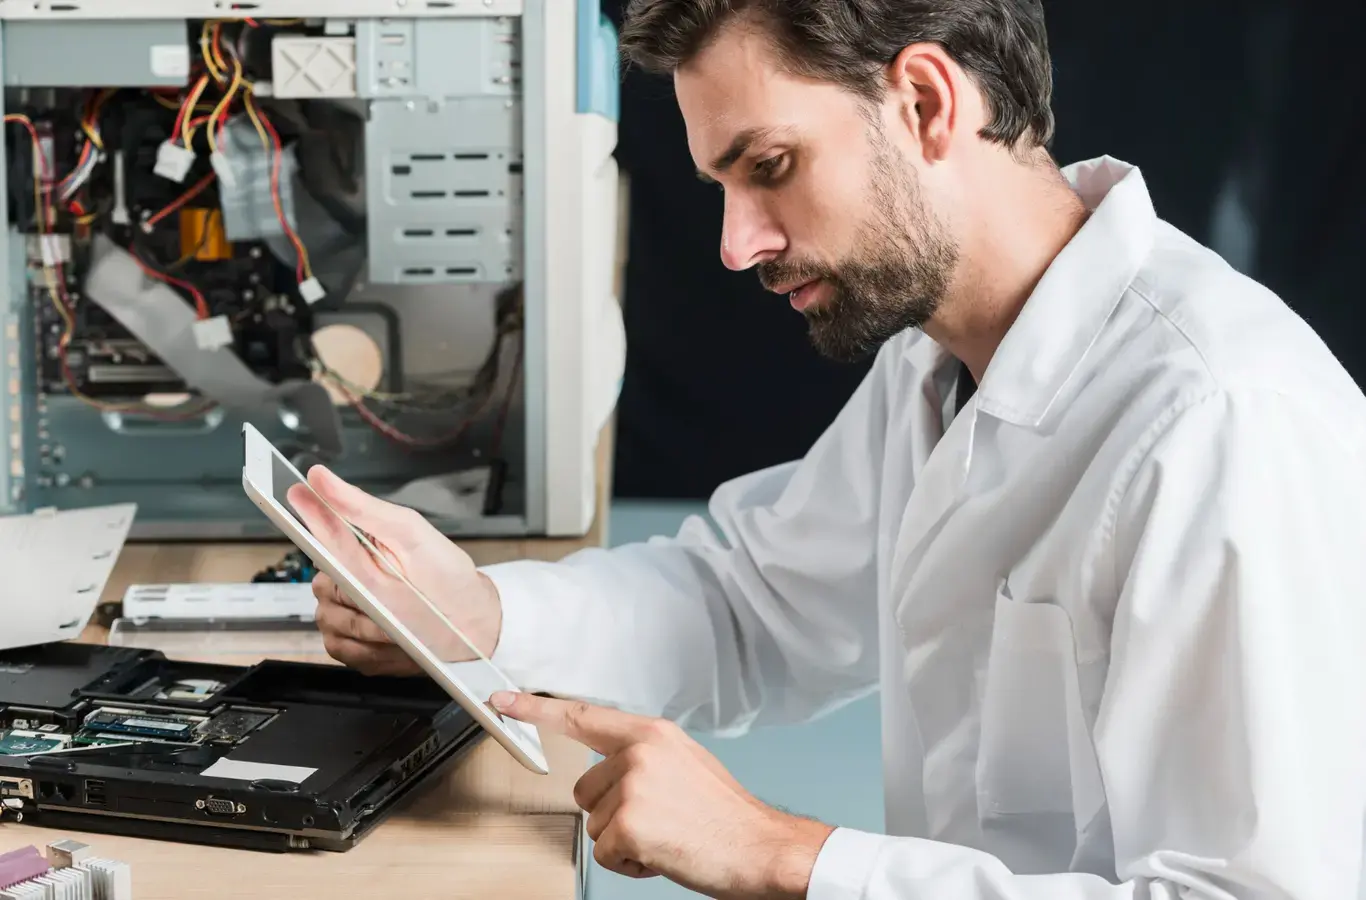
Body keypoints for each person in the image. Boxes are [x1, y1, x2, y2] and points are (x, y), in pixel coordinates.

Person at [288, 1, 1366, 897]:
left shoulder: (1221, 422)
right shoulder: (941, 354)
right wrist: (481, 614)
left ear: (929, 102)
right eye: (721, 187)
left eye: (770, 165)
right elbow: (752, 606)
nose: (734, 243)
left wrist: (780, 854)